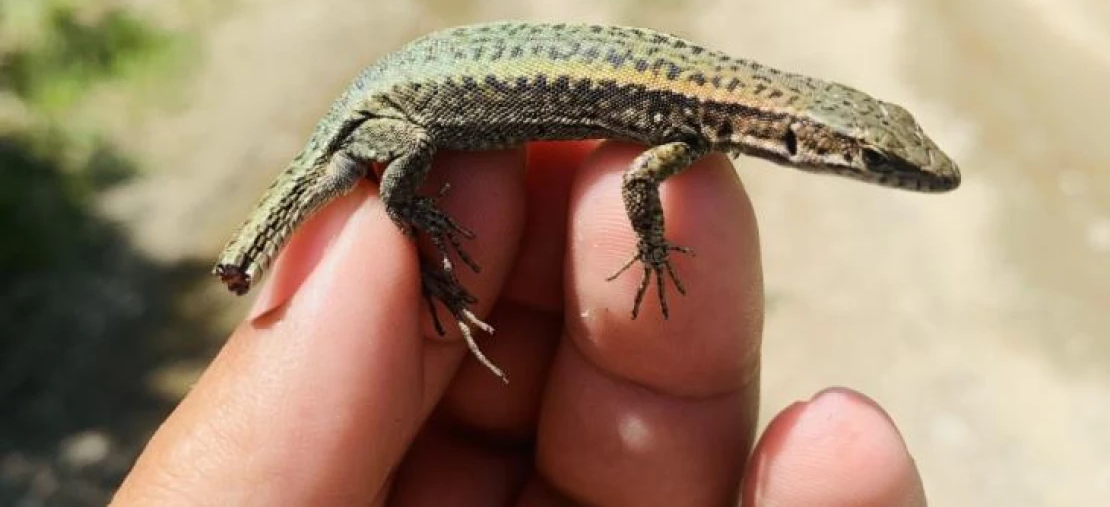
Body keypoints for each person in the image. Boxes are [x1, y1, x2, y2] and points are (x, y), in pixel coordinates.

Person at [112, 142, 926, 506]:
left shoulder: (706, 124)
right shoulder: (692, 131)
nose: (894, 175)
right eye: (876, 162)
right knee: (395, 198)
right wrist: (648, 245)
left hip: (434, 91)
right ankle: (262, 246)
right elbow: (642, 178)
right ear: (811, 145)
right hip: (416, 106)